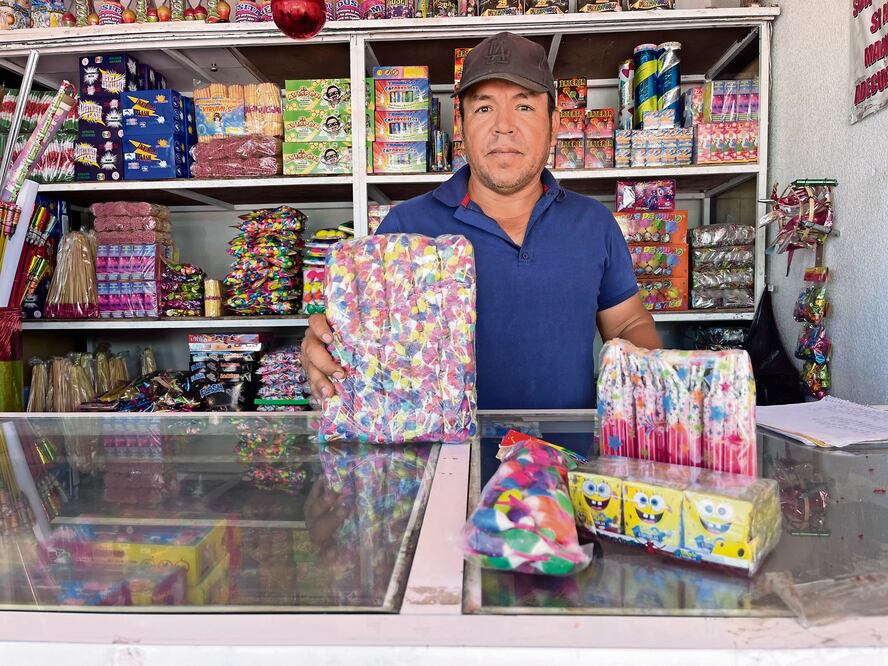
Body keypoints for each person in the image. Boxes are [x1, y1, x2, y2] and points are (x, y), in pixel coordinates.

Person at [302, 31, 661, 411]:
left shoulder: (594, 223)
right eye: (484, 108)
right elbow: (364, 338)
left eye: (524, 107)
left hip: (568, 448)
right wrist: (328, 347)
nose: (504, 125)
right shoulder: (405, 226)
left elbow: (627, 323)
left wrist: (651, 380)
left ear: (554, 125)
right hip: (443, 445)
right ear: (462, 125)